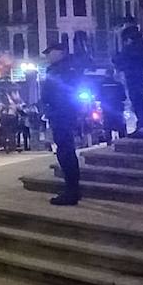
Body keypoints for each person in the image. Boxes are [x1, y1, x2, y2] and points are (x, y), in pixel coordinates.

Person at [40, 43, 82, 206]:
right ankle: (72, 189)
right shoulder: (60, 69)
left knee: (65, 152)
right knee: (65, 151)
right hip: (60, 113)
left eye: (51, 52)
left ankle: (71, 191)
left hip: (61, 113)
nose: (48, 56)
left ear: (61, 52)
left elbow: (56, 93)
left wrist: (52, 107)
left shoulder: (62, 70)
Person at [115, 24, 143, 128]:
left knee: (136, 97)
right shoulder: (142, 43)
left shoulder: (132, 46)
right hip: (137, 72)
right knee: (137, 97)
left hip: (133, 74)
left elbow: (122, 59)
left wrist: (119, 59)